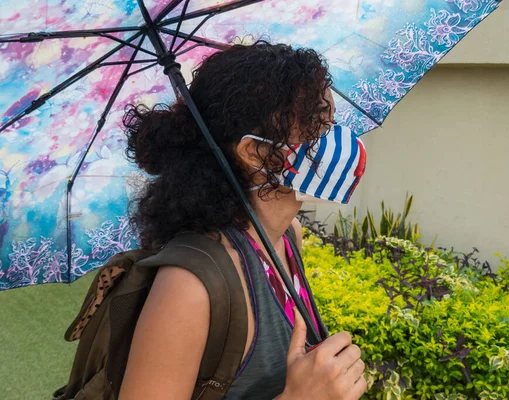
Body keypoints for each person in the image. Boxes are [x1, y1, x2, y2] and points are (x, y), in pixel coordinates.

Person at [119, 41, 368, 400]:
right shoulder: (189, 287)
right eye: (317, 124)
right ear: (257, 153)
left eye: (332, 119)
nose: (337, 138)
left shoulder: (287, 237)